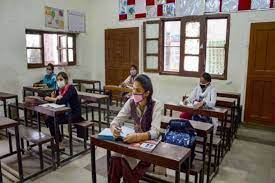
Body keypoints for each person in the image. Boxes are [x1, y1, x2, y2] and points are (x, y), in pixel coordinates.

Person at [109, 74, 162, 183]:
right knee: (115, 157)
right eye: (133, 89)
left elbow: (155, 132)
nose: (134, 93)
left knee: (126, 159)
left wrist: (138, 136)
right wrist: (114, 128)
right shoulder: (131, 102)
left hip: (149, 144)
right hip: (134, 142)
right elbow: (117, 120)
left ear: (147, 93)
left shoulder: (156, 105)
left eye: (138, 90)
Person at [44, 72, 84, 150]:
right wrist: (53, 97)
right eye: (57, 80)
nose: (59, 81)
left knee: (53, 120)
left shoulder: (71, 88)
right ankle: (57, 141)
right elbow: (56, 101)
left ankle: (60, 144)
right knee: (49, 118)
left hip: (74, 114)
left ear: (66, 80)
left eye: (61, 79)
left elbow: (61, 101)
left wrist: (50, 98)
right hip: (65, 112)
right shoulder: (60, 90)